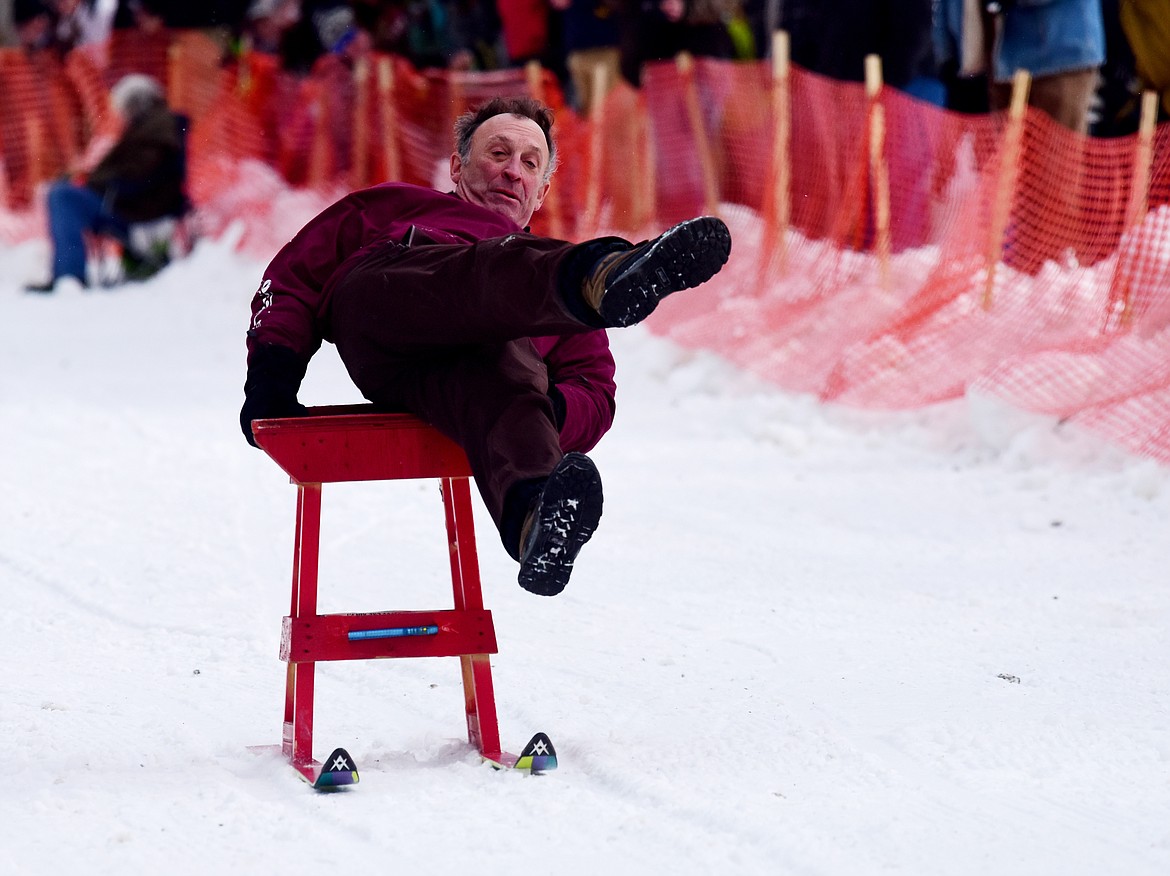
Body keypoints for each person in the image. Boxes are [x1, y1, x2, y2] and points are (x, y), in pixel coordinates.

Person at [240, 96, 731, 597]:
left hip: (457, 379)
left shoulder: (557, 289)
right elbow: (293, 279)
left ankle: (532, 515)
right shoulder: (395, 206)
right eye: (498, 154)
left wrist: (536, 411)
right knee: (491, 273)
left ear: (541, 193)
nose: (512, 171)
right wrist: (271, 381)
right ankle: (604, 263)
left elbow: (595, 393)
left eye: (529, 163)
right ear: (457, 167)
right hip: (390, 306)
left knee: (505, 372)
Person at [25, 73, 187, 292]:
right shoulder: (160, 126)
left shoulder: (156, 128)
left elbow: (138, 174)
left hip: (130, 209)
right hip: (134, 205)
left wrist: (96, 183)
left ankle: (69, 275)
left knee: (61, 196)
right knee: (64, 192)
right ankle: (69, 274)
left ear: (136, 103)